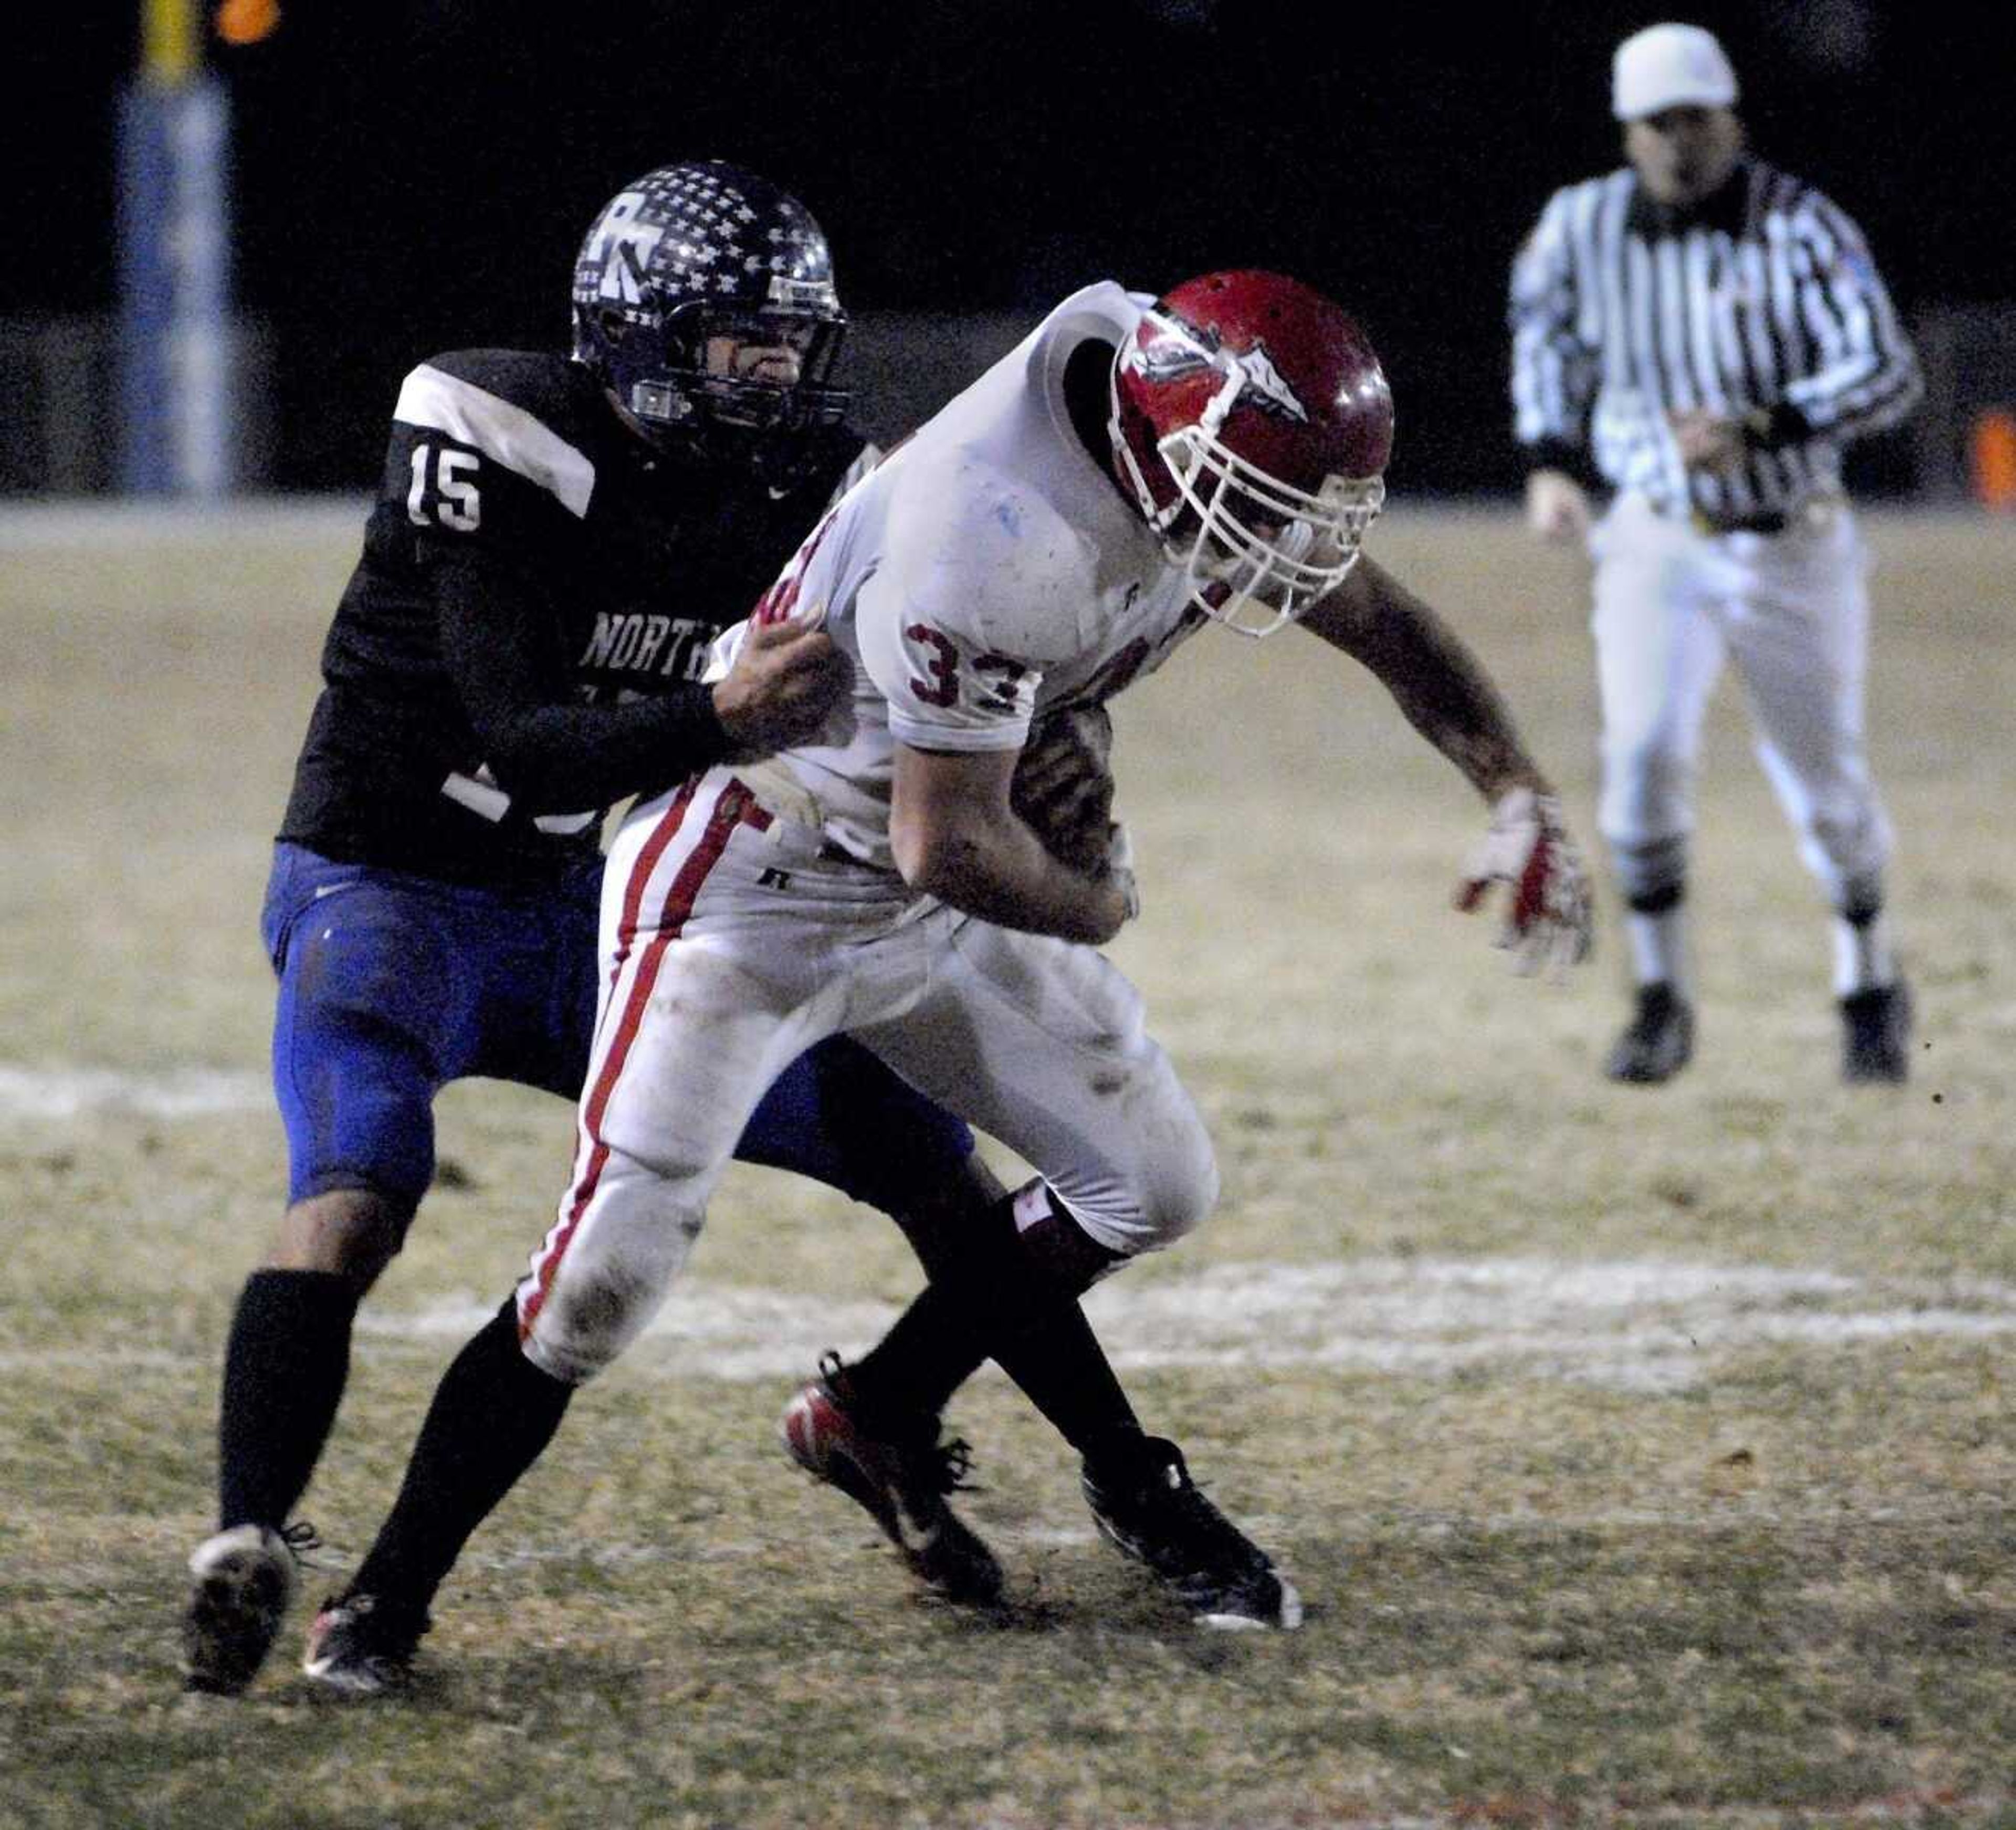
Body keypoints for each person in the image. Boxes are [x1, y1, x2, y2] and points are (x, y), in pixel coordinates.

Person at [295, 266, 1597, 1690]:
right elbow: (950, 841)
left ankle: (882, 1409)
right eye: (1267, 501)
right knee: (602, 1278)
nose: (1287, 546)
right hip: (756, 872)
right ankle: (381, 1597)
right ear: (1174, 451)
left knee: (1153, 1179)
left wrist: (1517, 787)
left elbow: (1387, 623)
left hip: (923, 866)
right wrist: (1095, 898)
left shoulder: (1166, 411)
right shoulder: (995, 530)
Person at [180, 161, 1173, 1695]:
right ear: (638, 332)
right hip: (392, 885)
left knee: (919, 1147)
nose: (774, 372)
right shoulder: (493, 423)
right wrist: (715, 712)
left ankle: (1093, 1470)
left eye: (791, 340)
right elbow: (517, 731)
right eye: (737, 341)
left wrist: (1053, 736)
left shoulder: (815, 487)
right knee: (359, 1183)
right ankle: (247, 1539)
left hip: (590, 899)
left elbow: (951, 657)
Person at [1510, 22, 1923, 1086]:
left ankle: (1868, 978)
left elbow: (1888, 370)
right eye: (1659, 122)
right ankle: (1660, 998)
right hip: (1654, 531)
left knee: (1825, 789)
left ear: (1731, 117)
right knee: (1640, 762)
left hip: (1792, 539)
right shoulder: (1582, 225)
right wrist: (1554, 462)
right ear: (1627, 131)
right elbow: (1546, 340)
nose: (1680, 141)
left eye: (1697, 117)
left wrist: (1769, 423)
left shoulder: (1800, 226)